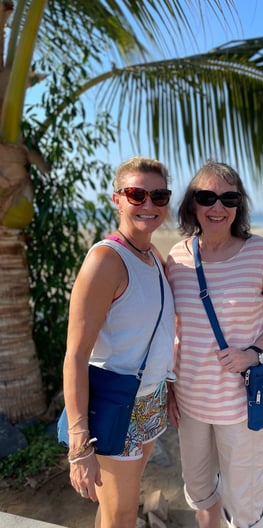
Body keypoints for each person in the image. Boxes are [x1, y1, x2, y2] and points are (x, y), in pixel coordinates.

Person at [166, 160, 263, 528]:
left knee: (244, 501)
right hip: (191, 403)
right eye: (207, 197)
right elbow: (176, 329)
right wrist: (172, 388)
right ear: (192, 204)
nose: (217, 207)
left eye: (228, 198)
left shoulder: (260, 253)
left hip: (241, 406)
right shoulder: (177, 258)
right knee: (200, 490)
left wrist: (252, 353)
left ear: (239, 205)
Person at [62, 156, 175, 527]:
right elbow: (76, 355)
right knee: (123, 513)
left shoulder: (152, 256)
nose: (148, 204)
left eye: (158, 196)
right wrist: (80, 445)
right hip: (116, 404)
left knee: (115, 506)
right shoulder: (106, 261)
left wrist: (168, 385)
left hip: (149, 401)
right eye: (136, 194)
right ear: (117, 199)